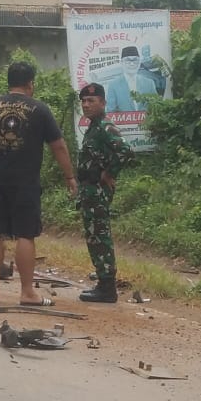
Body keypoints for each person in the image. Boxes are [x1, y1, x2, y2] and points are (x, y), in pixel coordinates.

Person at [0, 60, 76, 306]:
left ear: (9, 82)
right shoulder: (40, 109)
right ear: (31, 84)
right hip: (26, 182)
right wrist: (69, 176)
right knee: (26, 235)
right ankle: (28, 292)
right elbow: (58, 145)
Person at [74, 82, 135, 303]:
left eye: (91, 101)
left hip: (97, 191)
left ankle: (107, 287)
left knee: (99, 236)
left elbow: (125, 151)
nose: (86, 105)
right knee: (94, 235)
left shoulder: (105, 127)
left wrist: (110, 173)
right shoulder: (94, 127)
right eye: (84, 101)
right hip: (89, 191)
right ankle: (103, 278)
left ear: (103, 102)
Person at [104, 45, 161, 112]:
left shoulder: (149, 83)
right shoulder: (113, 85)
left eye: (135, 60)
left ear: (139, 62)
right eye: (128, 61)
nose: (132, 64)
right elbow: (110, 111)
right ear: (121, 63)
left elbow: (157, 106)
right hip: (123, 122)